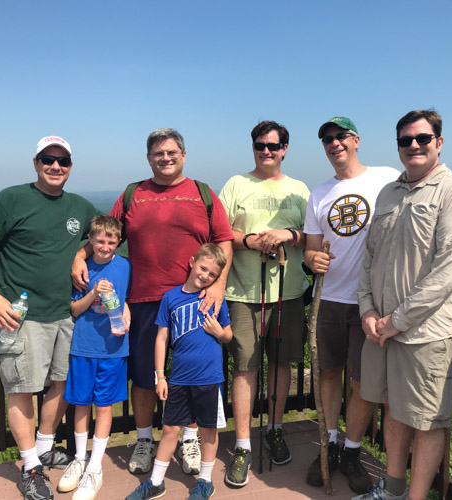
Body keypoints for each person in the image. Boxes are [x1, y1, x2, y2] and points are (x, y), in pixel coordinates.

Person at [72, 128, 233, 477]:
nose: (166, 158)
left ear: (184, 155)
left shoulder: (203, 194)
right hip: (143, 299)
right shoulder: (134, 194)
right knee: (144, 376)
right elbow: (108, 233)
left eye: (172, 152)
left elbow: (223, 240)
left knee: (194, 374)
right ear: (149, 158)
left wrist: (219, 284)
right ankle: (145, 440)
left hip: (193, 300)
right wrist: (79, 255)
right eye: (159, 153)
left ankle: (189, 438)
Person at [355, 110, 452, 500]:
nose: (413, 146)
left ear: (438, 143)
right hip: (382, 329)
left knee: (427, 420)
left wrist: (399, 320)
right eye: (405, 140)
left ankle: (416, 497)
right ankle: (393, 489)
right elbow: (369, 257)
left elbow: (448, 273)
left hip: (426, 333)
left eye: (422, 139)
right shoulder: (389, 193)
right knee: (393, 409)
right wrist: (368, 310)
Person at [0, 136, 99, 500]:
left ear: (71, 166)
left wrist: (82, 252)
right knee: (22, 389)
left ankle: (44, 447)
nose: (56, 166)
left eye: (63, 161)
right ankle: (30, 467)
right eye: (48, 159)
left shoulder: (79, 205)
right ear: (35, 162)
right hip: (22, 316)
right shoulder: (12, 198)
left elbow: (104, 235)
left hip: (67, 313)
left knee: (60, 384)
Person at [303, 117, 400, 494]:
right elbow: (311, 249)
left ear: (356, 140)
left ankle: (352, 451)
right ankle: (328, 445)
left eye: (341, 136)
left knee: (362, 384)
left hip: (370, 304)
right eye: (327, 138)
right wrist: (312, 261)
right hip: (328, 299)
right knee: (328, 375)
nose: (334, 143)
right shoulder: (319, 194)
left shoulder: (386, 178)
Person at [218, 120, 309, 487]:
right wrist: (253, 241)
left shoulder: (300, 190)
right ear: (253, 147)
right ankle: (242, 445)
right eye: (260, 145)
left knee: (281, 363)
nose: (266, 151)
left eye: (273, 146)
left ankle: (274, 429)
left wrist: (288, 235)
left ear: (284, 148)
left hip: (288, 292)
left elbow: (311, 237)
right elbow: (221, 234)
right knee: (245, 367)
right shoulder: (236, 185)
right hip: (243, 293)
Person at [125, 243, 232, 500]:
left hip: (209, 377)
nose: (205, 276)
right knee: (170, 429)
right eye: (203, 268)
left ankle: (205, 481)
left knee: (208, 431)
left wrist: (219, 333)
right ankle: (156, 482)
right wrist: (160, 376)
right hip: (179, 377)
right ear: (192, 262)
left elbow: (228, 334)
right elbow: (161, 338)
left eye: (212, 274)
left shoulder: (216, 298)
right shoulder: (171, 298)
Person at [56, 215, 131, 500]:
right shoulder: (81, 268)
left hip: (113, 347)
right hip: (84, 346)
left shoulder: (124, 266)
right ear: (90, 240)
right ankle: (79, 459)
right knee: (81, 404)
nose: (105, 245)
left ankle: (95, 467)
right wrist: (93, 293)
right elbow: (76, 310)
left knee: (104, 406)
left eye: (111, 240)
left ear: (118, 242)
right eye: (100, 240)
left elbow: (125, 300)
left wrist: (127, 317)